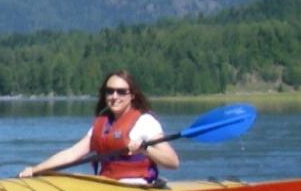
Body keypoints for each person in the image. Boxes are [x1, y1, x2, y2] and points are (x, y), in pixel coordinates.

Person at [18, 71, 181, 184]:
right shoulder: (102, 124)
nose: (114, 97)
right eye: (109, 91)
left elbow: (173, 162)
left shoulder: (145, 122)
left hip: (137, 186)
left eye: (121, 92)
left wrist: (146, 150)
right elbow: (72, 153)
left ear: (132, 95)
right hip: (106, 184)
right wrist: (36, 169)